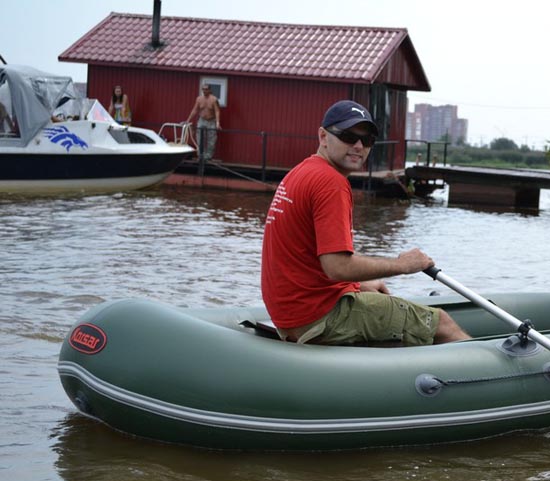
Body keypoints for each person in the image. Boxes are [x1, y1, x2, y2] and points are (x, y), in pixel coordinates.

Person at [261, 100, 470, 346]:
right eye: (349, 136)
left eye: (367, 140)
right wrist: (402, 265)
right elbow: (337, 267)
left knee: (376, 296)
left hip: (291, 313)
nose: (359, 146)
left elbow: (309, 255)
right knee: (441, 323)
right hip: (318, 315)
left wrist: (358, 283)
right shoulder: (331, 182)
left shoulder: (301, 172)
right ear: (323, 136)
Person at [185, 84, 220, 161]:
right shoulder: (199, 99)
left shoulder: (214, 99)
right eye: (203, 89)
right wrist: (188, 120)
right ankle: (201, 155)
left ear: (210, 90)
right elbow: (195, 110)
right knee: (199, 138)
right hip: (202, 120)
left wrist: (217, 122)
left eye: (206, 89)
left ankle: (208, 156)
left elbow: (217, 111)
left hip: (211, 120)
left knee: (211, 139)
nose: (204, 91)